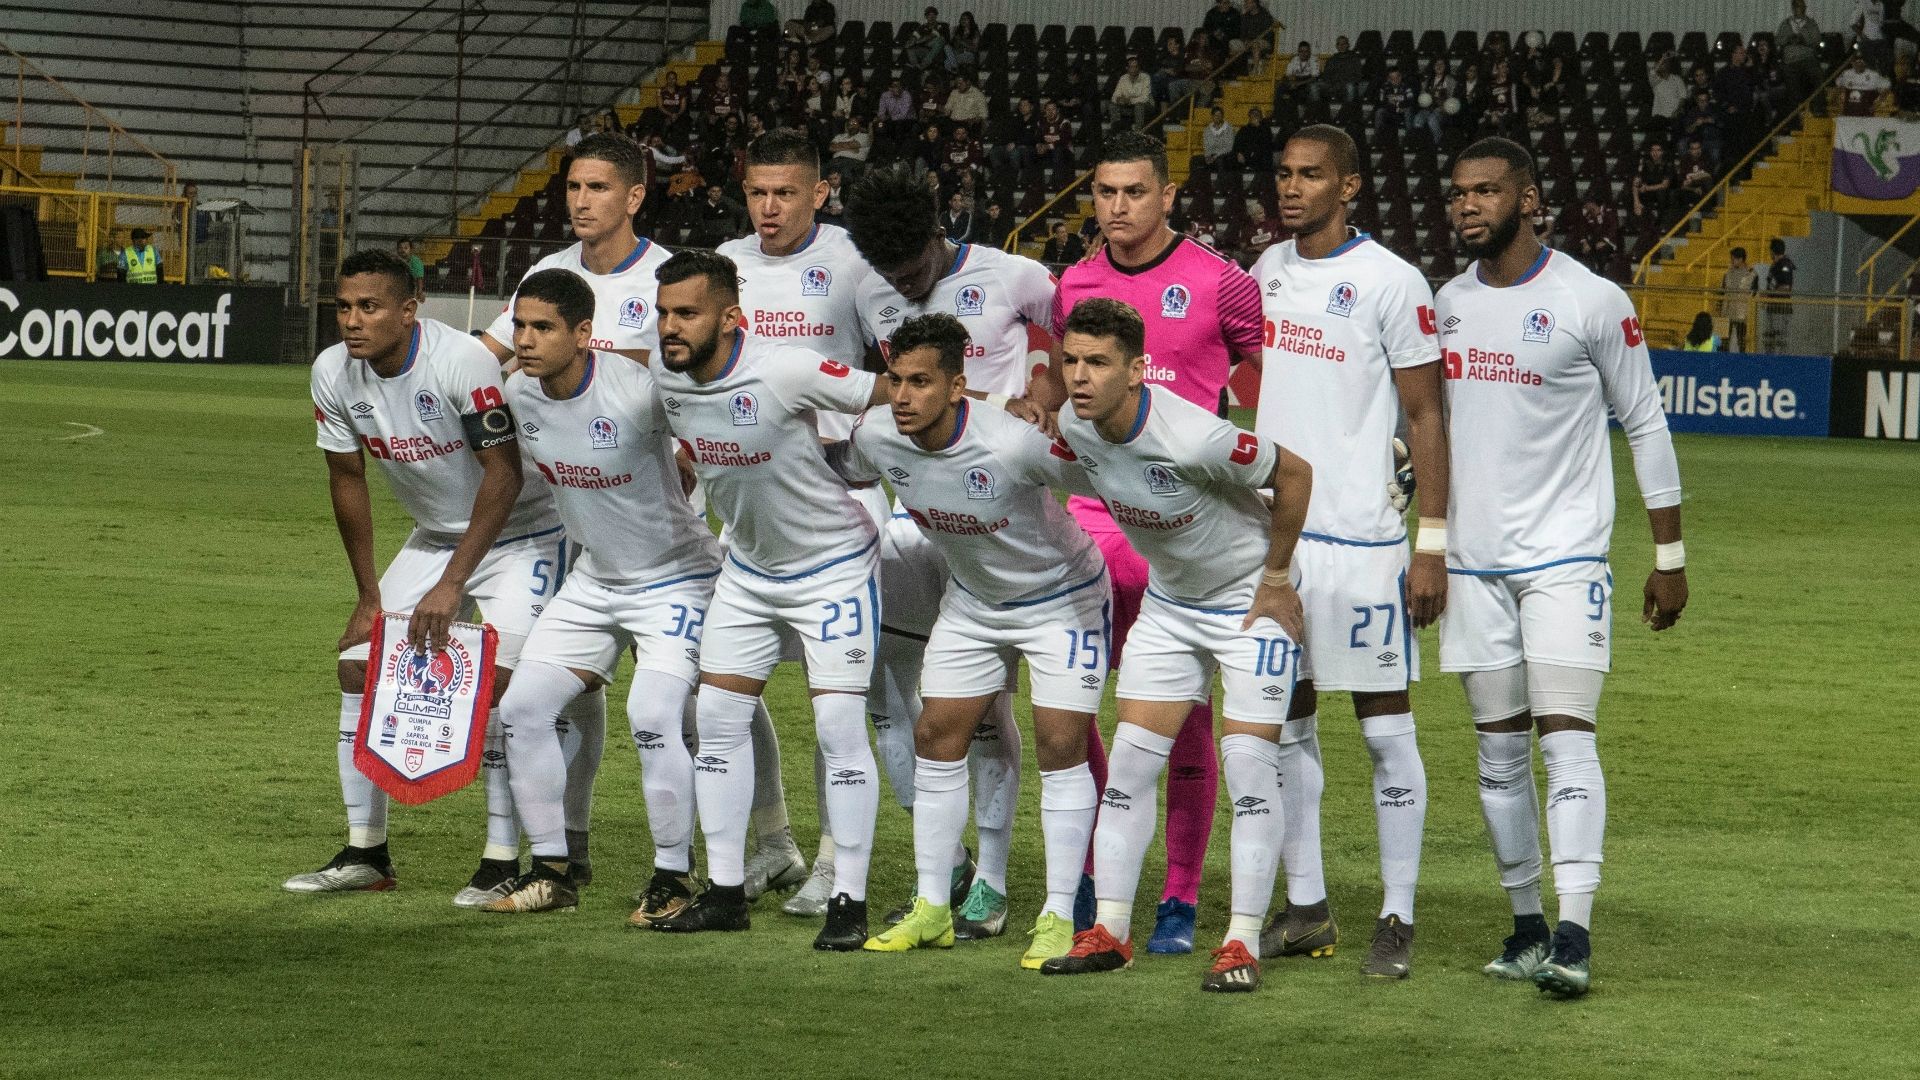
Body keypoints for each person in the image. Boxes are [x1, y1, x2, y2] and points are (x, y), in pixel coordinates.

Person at [1438, 136, 1689, 998]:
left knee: (1566, 741)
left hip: (1566, 559)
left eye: (1486, 192)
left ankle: (1575, 933)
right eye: (1458, 194)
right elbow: (1438, 432)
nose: (1468, 206)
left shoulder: (1590, 298)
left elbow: (1646, 424)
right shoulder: (1447, 303)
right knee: (1497, 756)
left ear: (1529, 198)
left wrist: (1669, 556)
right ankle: (1525, 927)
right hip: (1473, 566)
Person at [1038, 297, 1312, 993]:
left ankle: (1241, 941)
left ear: (1136, 371)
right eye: (1071, 360)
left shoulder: (1192, 436)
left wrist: (1277, 578)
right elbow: (1068, 465)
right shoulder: (1078, 423)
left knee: (1250, 765)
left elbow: (1296, 474)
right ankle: (1111, 931)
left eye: (1097, 362)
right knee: (1130, 765)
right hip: (1170, 604)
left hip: (1249, 599)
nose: (1079, 376)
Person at [286, 250, 563, 906]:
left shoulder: (460, 362)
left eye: (370, 307)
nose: (353, 321)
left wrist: (451, 585)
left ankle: (500, 858)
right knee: (358, 665)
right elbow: (346, 478)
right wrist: (369, 595)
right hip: (436, 537)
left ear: (409, 311)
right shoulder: (332, 372)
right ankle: (366, 853)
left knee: (496, 682)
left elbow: (505, 474)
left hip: (521, 535)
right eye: (344, 307)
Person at [833, 313, 1109, 970]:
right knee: (935, 736)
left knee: (1062, 747)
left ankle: (1058, 914)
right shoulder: (878, 436)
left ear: (959, 387)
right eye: (895, 380)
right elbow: (838, 468)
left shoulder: (1014, 444)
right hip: (975, 602)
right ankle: (933, 908)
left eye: (921, 382)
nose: (902, 396)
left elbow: (1105, 480)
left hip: (1061, 599)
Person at [1049, 131, 1266, 953]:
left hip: (1187, 529)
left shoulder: (1221, 282)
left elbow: (1271, 382)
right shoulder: (1077, 280)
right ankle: (1108, 880)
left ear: (1167, 195)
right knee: (1085, 707)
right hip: (1096, 522)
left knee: (1187, 718)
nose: (1118, 207)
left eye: (1135, 191)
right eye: (1105, 192)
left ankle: (1179, 895)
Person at [1245, 124, 1449, 979]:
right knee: (1287, 725)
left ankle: (1397, 914)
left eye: (1311, 176)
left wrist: (1430, 543)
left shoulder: (1392, 282)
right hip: (1280, 540)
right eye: (1285, 175)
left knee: (1384, 729)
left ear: (1351, 185)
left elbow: (1427, 417)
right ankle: (1308, 906)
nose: (1292, 189)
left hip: (1363, 541)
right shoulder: (1265, 271)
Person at [641, 251, 885, 948]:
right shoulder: (667, 372)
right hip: (747, 571)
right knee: (716, 719)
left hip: (832, 566)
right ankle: (723, 892)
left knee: (839, 731)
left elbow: (894, 393)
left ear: (730, 316)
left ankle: (850, 901)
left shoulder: (788, 367)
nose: (670, 327)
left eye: (686, 313)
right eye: (663, 313)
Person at [844, 164, 1061, 934]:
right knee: (891, 700)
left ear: (938, 233)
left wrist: (1042, 388)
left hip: (1002, 533)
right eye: (888, 275)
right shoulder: (865, 288)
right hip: (918, 523)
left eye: (913, 271)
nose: (901, 287)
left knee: (986, 716)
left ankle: (993, 885)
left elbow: (1074, 336)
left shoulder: (1014, 275)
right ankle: (952, 865)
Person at [483, 268, 719, 919]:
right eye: (520, 326)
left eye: (542, 328)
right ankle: (553, 873)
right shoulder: (518, 397)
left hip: (677, 577)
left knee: (652, 716)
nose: (524, 340)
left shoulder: (640, 390)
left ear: (584, 334)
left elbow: (712, 442)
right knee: (522, 709)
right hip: (594, 581)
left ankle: (674, 876)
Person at [711, 130, 884, 906]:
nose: (769, 207)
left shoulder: (854, 259)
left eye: (786, 192)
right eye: (757, 192)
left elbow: (892, 372)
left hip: (841, 503)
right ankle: (773, 840)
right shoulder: (727, 263)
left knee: (837, 703)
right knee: (719, 693)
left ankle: (828, 864)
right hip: (750, 507)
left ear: (822, 191)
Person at [481, 133, 672, 368]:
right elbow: (482, 358)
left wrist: (568, 357)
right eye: (573, 187)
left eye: (597, 187)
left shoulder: (670, 280)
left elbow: (689, 372)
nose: (580, 202)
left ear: (633, 198)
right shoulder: (548, 271)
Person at [1778, 1, 1826, 113]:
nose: (1799, 8)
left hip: (1807, 58)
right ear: (1793, 8)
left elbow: (1817, 39)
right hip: (1790, 60)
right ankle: (1794, 115)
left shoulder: (1810, 23)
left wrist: (1803, 39)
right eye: (1797, 6)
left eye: (1801, 6)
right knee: (1792, 86)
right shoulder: (1786, 23)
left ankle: (1818, 109)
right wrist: (1788, 39)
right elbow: (1778, 39)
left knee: (1818, 76)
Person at [1720, 247, 1759, 351]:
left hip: (1742, 314)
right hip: (1727, 312)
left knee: (1742, 343)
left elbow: (1754, 293)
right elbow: (1722, 291)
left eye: (1733, 259)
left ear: (1741, 259)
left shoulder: (1751, 274)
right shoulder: (1727, 273)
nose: (1731, 262)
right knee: (1723, 343)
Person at [1632, 142, 1675, 224]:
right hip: (1648, 191)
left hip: (1664, 191)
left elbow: (1664, 185)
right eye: (1653, 150)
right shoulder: (1645, 162)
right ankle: (1637, 223)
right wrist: (1636, 201)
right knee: (1631, 193)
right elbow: (1636, 181)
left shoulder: (1668, 163)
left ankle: (1661, 222)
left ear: (1662, 152)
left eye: (1658, 150)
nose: (1655, 153)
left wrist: (1647, 188)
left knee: (1661, 194)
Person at [1764, 237, 1795, 351]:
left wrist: (1768, 294)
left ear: (1773, 251)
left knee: (1780, 339)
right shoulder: (1775, 265)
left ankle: (1782, 364)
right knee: (1770, 338)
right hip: (1773, 307)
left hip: (1780, 308)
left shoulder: (1785, 265)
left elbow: (1786, 287)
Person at [1109, 56, 1155, 130]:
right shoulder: (1123, 78)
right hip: (1129, 107)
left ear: (1139, 68)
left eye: (1136, 67)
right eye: (1131, 67)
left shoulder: (1145, 77)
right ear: (1127, 68)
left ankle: (1138, 133)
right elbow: (1114, 96)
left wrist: (1129, 101)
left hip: (1146, 106)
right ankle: (1116, 132)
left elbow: (1145, 98)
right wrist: (1119, 99)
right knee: (1113, 106)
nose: (1134, 69)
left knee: (1139, 106)